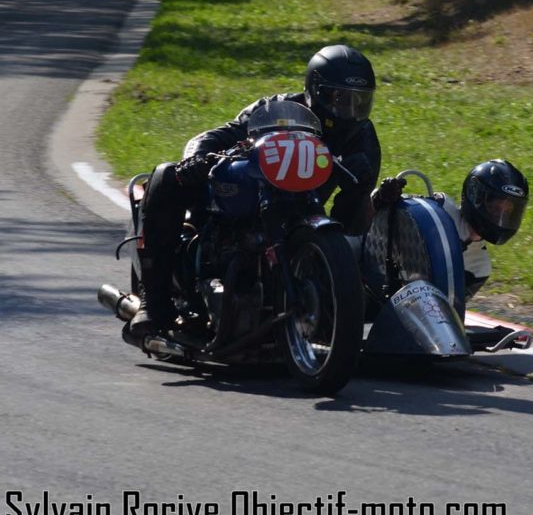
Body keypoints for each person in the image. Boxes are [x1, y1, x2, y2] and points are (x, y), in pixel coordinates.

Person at [130, 44, 396, 337]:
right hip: (251, 202)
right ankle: (152, 301)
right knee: (166, 175)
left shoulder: (363, 138)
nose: (350, 111)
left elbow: (348, 225)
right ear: (315, 91)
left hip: (305, 214)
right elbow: (218, 134)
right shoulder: (275, 111)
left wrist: (358, 189)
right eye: (341, 99)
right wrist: (196, 158)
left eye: (360, 102)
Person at [376, 159, 529, 299]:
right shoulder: (440, 209)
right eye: (495, 207)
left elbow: (450, 310)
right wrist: (384, 196)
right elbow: (381, 214)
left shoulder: (479, 267)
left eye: (508, 212)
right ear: (475, 196)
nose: (500, 217)